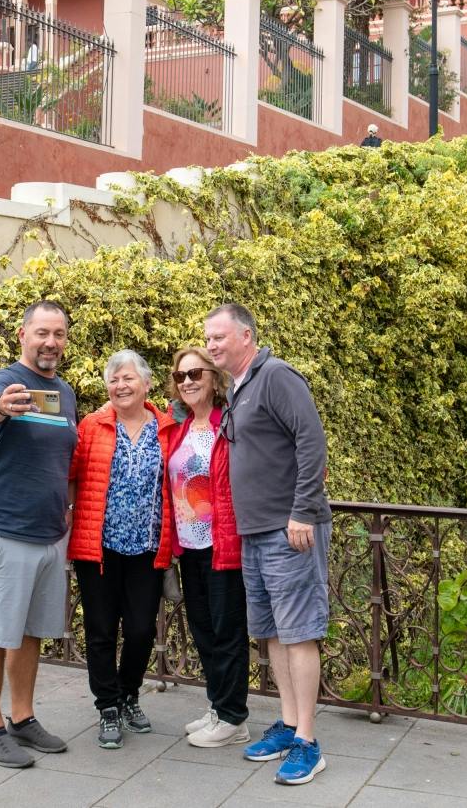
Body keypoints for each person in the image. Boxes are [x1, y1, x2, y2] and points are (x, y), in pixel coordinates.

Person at [204, 302, 332, 786]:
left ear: (246, 335)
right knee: (274, 632)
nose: (212, 345)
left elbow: (311, 440)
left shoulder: (277, 376)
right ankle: (288, 723)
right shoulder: (239, 387)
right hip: (255, 532)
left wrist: (302, 510)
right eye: (208, 338)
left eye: (219, 337)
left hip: (289, 528)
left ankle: (308, 742)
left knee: (298, 632)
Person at [0, 300, 79, 769]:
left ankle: (23, 717)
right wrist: (0, 405)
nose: (50, 342)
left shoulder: (66, 392)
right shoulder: (7, 380)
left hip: (49, 534)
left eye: (58, 334)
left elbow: (63, 458)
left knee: (31, 631)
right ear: (23, 335)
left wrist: (68, 507)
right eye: (41, 333)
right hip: (3, 530)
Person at [67, 350, 177, 749]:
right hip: (98, 548)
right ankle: (108, 707)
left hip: (147, 548)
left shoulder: (166, 428)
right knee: (99, 630)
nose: (120, 385)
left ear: (146, 384)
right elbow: (70, 475)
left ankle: (129, 694)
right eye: (113, 380)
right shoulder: (91, 426)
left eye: (128, 378)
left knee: (141, 629)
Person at [159, 346, 250, 749]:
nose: (189, 381)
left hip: (223, 545)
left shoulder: (227, 423)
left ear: (214, 378)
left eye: (196, 373)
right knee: (203, 629)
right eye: (181, 377)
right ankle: (219, 707)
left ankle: (233, 717)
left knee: (227, 630)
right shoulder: (177, 429)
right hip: (189, 547)